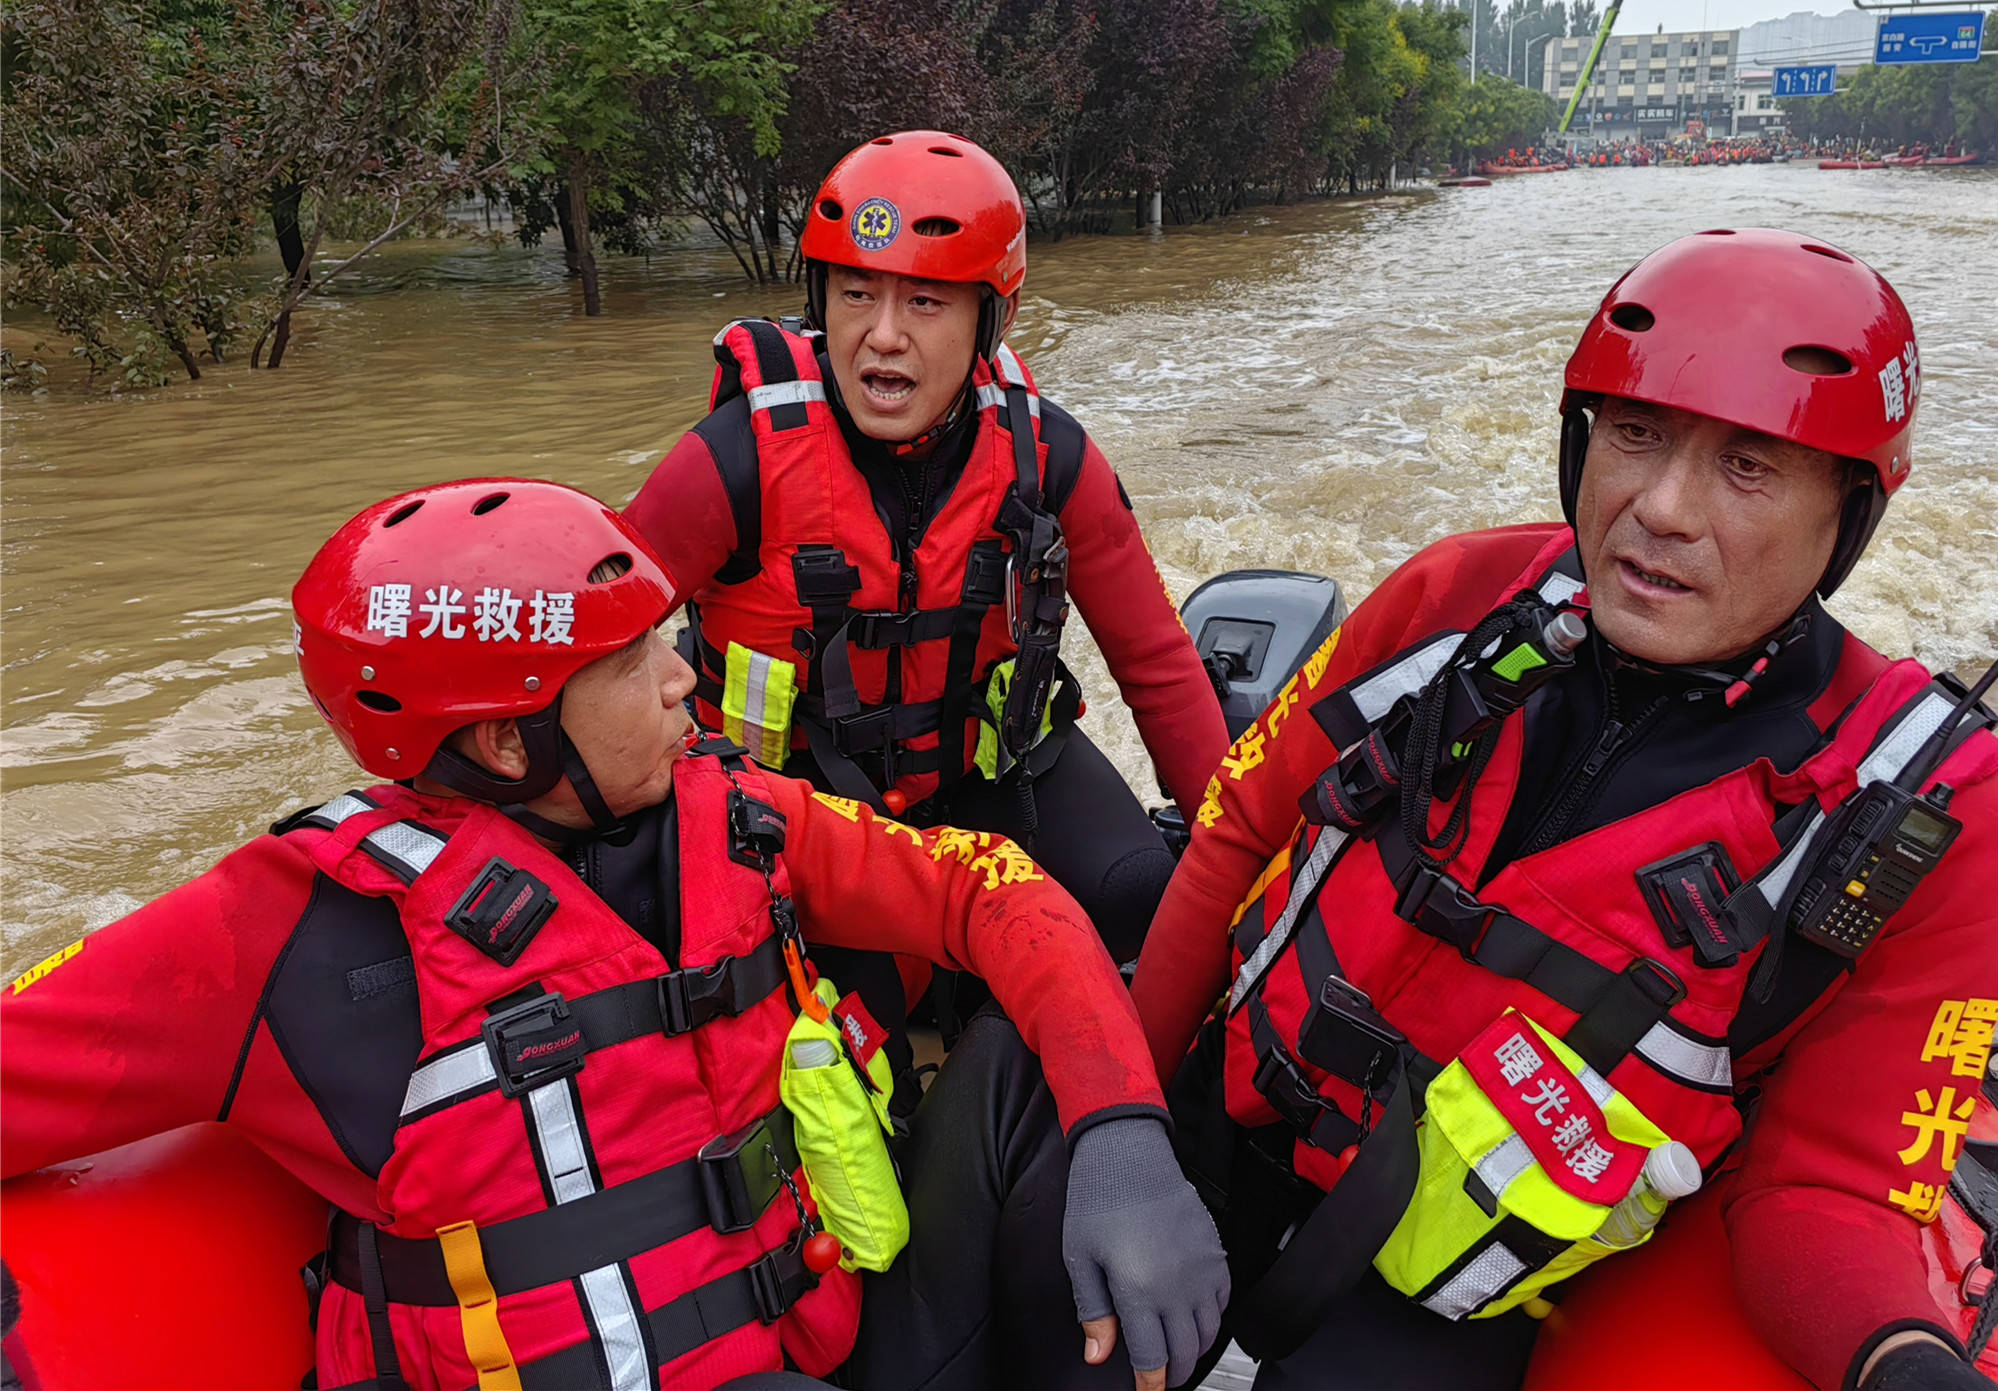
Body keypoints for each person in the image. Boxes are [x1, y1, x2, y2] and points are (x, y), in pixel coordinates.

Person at [0, 480, 1228, 1391]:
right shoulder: (279, 930)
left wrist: (1124, 1129)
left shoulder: (731, 811)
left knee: (1018, 1071)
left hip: (813, 1334)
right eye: (635, 658)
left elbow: (990, 891)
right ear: (507, 738)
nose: (686, 672)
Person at [1130, 229, 1997, 1391]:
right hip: (1219, 1120)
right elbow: (1239, 831)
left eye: (1749, 465)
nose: (1665, 508)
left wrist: (1903, 1361)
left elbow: (1831, 1188)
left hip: (1459, 1287)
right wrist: (1126, 1122)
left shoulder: (1928, 811)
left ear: (1852, 510)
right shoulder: (1453, 596)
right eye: (1635, 433)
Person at [622, 131, 1226, 978]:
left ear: (993, 318)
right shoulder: (733, 461)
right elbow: (582, 650)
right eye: (856, 294)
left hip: (988, 775)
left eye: (927, 302)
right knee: (852, 1007)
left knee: (1144, 899)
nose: (883, 336)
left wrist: (1240, 855)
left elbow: (1157, 663)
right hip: (796, 804)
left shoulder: (1048, 457)